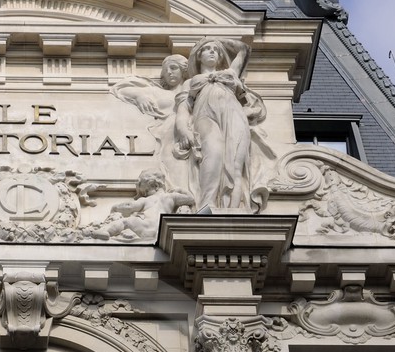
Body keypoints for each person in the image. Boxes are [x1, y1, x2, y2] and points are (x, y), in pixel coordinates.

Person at [173, 39, 268, 211]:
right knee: (214, 154)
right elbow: (182, 110)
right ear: (198, 56)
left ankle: (233, 210)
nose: (211, 51)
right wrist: (183, 130)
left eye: (215, 50)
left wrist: (217, 40)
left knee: (236, 164)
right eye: (206, 49)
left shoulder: (230, 73)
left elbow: (243, 50)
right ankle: (207, 204)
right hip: (205, 116)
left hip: (234, 116)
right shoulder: (191, 82)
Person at [110, 54, 191, 189]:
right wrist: (139, 96)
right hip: (168, 138)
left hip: (189, 139)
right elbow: (121, 89)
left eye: (173, 68)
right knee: (173, 167)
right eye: (166, 71)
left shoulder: (193, 91)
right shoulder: (159, 93)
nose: (169, 72)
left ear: (184, 70)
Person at [88, 170, 194, 242]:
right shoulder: (172, 197)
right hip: (159, 230)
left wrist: (116, 207)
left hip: (145, 227)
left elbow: (130, 206)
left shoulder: (147, 200)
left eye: (146, 191)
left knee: (125, 221)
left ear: (155, 186)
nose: (145, 193)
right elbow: (191, 199)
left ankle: (106, 231)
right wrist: (181, 190)